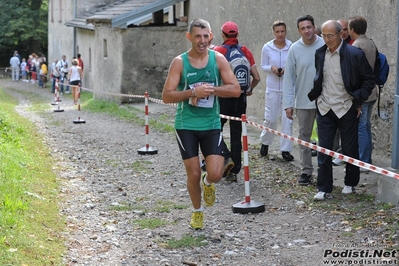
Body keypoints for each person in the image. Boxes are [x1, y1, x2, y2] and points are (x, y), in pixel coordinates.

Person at [162, 18, 240, 230]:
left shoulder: (218, 59)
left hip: (211, 123)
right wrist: (192, 93)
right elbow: (167, 96)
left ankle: (208, 185)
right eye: (198, 36)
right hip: (186, 123)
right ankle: (197, 212)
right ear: (190, 37)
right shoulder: (180, 62)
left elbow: (235, 89)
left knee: (215, 174)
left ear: (211, 36)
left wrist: (211, 89)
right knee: (193, 172)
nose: (202, 41)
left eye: (206, 36)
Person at [308, 20, 374, 200]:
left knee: (350, 148)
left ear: (340, 35)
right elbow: (319, 77)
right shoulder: (320, 53)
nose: (327, 39)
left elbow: (368, 79)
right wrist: (316, 95)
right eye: (324, 36)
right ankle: (324, 187)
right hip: (324, 107)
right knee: (324, 149)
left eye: (330, 36)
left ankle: (350, 183)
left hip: (346, 107)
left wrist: (358, 99)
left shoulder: (354, 54)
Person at [213, 21, 260, 182]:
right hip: (241, 99)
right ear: (237, 35)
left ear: (223, 35)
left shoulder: (218, 51)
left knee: (213, 129)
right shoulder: (245, 51)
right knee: (236, 134)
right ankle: (234, 172)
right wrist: (248, 90)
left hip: (224, 98)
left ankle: (226, 157)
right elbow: (257, 77)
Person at [283, 15, 325, 185]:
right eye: (303, 28)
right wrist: (288, 104)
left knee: (325, 138)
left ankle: (325, 171)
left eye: (309, 27)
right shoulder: (294, 49)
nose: (307, 30)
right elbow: (289, 78)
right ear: (299, 30)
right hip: (303, 101)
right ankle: (306, 171)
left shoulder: (324, 44)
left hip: (324, 101)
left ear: (314, 27)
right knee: (304, 137)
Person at [259, 20, 293, 161]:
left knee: (287, 120)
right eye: (277, 32)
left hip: (287, 88)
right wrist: (272, 68)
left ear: (286, 31)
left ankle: (285, 149)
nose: (280, 34)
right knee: (271, 118)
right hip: (273, 87)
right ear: (273, 32)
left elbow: (294, 65)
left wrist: (287, 70)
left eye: (282, 31)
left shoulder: (291, 46)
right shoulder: (267, 47)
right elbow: (263, 65)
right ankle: (265, 142)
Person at [349, 16, 377, 169]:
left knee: (361, 126)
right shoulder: (370, 42)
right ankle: (366, 158)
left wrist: (357, 97)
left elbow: (357, 73)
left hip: (363, 94)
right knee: (366, 125)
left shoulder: (357, 46)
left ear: (352, 30)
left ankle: (363, 160)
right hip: (372, 91)